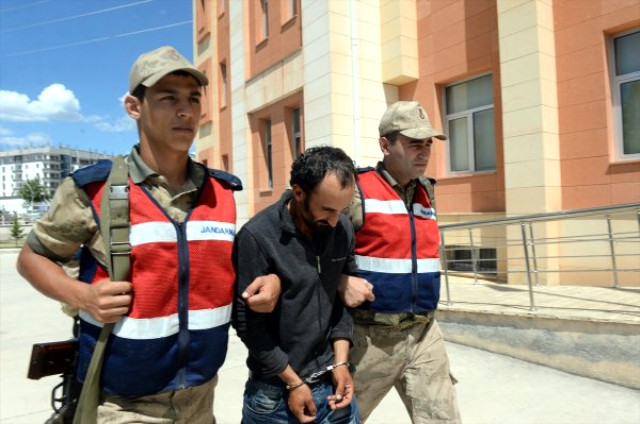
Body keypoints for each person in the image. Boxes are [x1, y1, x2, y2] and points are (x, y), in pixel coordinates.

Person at [16, 45, 279, 424]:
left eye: (193, 99)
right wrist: (82, 296)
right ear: (134, 107)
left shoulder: (221, 193)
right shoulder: (95, 190)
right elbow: (32, 257)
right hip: (124, 404)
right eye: (168, 98)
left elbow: (217, 274)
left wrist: (267, 281)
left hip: (202, 398)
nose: (185, 111)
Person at [340, 101, 461, 423]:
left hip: (424, 334)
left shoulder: (426, 191)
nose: (424, 152)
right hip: (370, 339)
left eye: (428, 144)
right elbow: (310, 246)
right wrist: (341, 280)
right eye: (414, 144)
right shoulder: (355, 189)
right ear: (385, 145)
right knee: (340, 418)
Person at [233, 146, 361, 424]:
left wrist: (341, 362)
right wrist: (293, 382)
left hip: (333, 387)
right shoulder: (257, 237)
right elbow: (247, 325)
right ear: (299, 193)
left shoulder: (342, 229)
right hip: (274, 397)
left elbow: (342, 301)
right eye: (327, 210)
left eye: (342, 210)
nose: (335, 221)